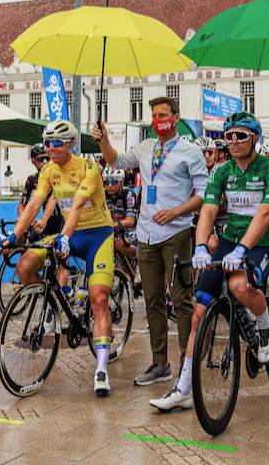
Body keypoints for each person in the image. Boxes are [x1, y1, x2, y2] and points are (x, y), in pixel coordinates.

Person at [150, 111, 269, 412]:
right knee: (198, 315)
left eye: (241, 135)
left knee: (239, 285)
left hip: (259, 242)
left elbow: (265, 214)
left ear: (255, 139)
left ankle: (266, 324)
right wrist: (200, 246)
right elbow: (209, 209)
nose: (234, 141)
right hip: (228, 240)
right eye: (229, 136)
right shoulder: (221, 172)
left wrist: (242, 250)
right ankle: (184, 387)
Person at [94, 96, 209, 388]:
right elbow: (115, 160)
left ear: (176, 116)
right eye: (154, 115)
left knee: (181, 299)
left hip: (177, 233)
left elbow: (204, 195)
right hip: (146, 235)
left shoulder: (190, 152)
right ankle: (161, 364)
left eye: (163, 115)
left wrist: (176, 211)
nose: (158, 120)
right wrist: (104, 140)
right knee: (153, 300)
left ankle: (188, 364)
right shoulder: (146, 148)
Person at [4, 120, 117, 395]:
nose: (50, 147)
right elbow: (34, 204)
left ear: (71, 144)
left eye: (56, 142)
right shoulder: (48, 171)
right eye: (47, 142)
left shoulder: (89, 167)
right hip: (69, 233)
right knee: (25, 265)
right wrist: (14, 236)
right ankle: (55, 308)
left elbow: (77, 204)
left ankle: (101, 369)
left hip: (97, 235)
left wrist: (65, 236)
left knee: (99, 299)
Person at [104, 165, 139, 261]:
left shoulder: (129, 194)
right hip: (110, 228)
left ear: (122, 181)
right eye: (107, 182)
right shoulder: (102, 194)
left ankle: (136, 259)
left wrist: (112, 226)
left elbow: (130, 222)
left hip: (130, 229)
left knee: (119, 243)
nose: (110, 185)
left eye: (114, 181)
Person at [20, 143, 48, 208]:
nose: (45, 162)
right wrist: (22, 217)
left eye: (47, 158)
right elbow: (22, 204)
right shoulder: (32, 179)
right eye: (41, 159)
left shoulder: (56, 176)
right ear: (33, 160)